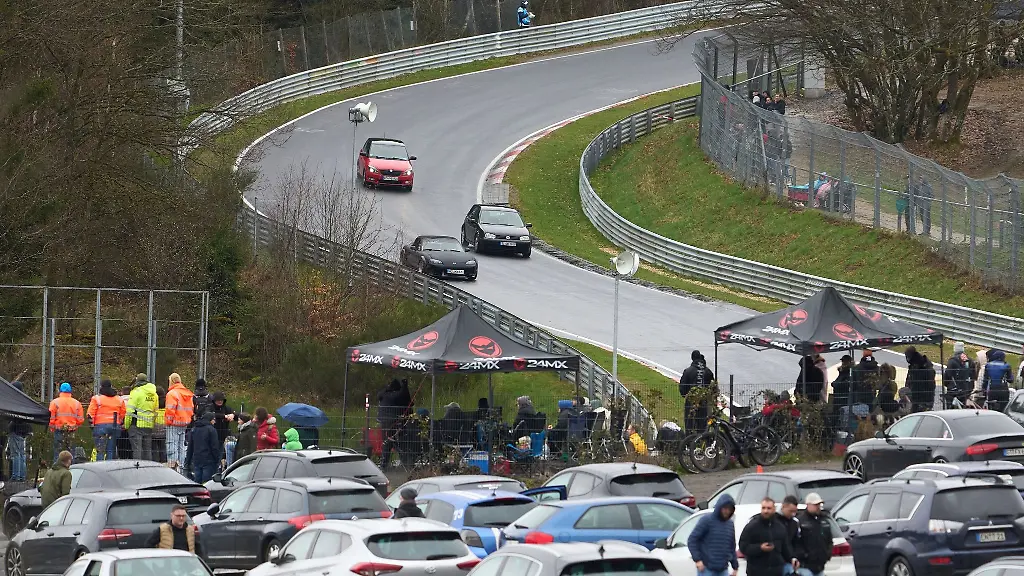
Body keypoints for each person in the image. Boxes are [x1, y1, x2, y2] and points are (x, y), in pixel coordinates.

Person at [739, 498, 798, 576]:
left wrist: (792, 558)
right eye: (763, 508)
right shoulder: (752, 526)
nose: (765, 511)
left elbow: (786, 548)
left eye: (769, 508)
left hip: (776, 571)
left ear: (774, 509)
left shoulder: (780, 527)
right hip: (756, 571)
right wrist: (760, 548)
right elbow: (743, 546)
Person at [687, 493, 739, 576]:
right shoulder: (706, 520)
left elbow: (731, 547)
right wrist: (698, 560)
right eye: (725, 508)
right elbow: (692, 540)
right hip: (706, 569)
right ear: (719, 507)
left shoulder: (730, 524)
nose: (727, 511)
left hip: (723, 569)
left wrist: (735, 567)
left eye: (729, 509)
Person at [87, 379, 126, 461]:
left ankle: (100, 468)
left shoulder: (96, 399)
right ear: (111, 387)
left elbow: (90, 414)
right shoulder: (119, 399)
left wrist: (92, 426)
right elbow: (123, 414)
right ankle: (109, 469)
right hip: (115, 426)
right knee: (111, 450)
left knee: (100, 450)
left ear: (101, 387)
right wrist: (120, 423)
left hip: (100, 427)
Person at [794, 493, 832, 576]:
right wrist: (805, 555)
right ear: (808, 505)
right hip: (805, 566)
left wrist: (827, 554)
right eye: (815, 505)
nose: (818, 507)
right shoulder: (800, 521)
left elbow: (829, 540)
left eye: (819, 504)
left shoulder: (824, 520)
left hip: (820, 566)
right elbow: (795, 541)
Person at [680, 350, 715, 433]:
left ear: (692, 358)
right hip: (704, 402)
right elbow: (713, 387)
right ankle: (703, 441)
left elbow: (682, 388)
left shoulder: (688, 371)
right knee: (702, 424)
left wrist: (686, 395)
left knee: (690, 424)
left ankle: (689, 442)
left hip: (691, 402)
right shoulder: (708, 371)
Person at [49, 382, 84, 462]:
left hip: (58, 430)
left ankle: (57, 471)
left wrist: (52, 427)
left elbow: (51, 417)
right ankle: (71, 471)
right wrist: (75, 425)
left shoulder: (54, 402)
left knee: (57, 453)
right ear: (70, 391)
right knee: (71, 453)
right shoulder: (77, 403)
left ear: (60, 391)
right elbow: (81, 419)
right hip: (71, 431)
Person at [165, 373, 194, 468]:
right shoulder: (187, 393)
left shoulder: (172, 394)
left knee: (171, 446)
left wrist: (168, 422)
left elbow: (170, 409)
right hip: (184, 423)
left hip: (173, 424)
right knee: (181, 447)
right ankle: (181, 467)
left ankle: (172, 468)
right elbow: (191, 408)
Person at [126, 373, 158, 461]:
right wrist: (152, 422)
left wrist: (126, 425)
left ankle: (138, 470)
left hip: (136, 425)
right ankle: (147, 470)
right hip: (148, 425)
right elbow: (156, 411)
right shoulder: (154, 394)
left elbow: (130, 411)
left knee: (137, 450)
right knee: (147, 450)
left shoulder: (136, 392)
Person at [8, 381, 32, 481]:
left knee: (15, 454)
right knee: (22, 454)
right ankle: (22, 476)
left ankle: (15, 476)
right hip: (25, 430)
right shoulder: (25, 400)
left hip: (16, 429)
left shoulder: (15, 400)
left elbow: (14, 416)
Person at [189, 412, 220, 484]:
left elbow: (190, 446)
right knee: (207, 483)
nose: (214, 422)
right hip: (208, 460)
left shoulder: (194, 429)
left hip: (197, 459)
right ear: (210, 420)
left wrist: (188, 462)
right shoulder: (211, 430)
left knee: (197, 481)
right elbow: (214, 446)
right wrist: (217, 459)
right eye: (214, 419)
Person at [905, 346, 936, 412]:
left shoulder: (921, 368)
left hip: (922, 399)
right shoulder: (915, 366)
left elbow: (929, 385)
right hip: (919, 398)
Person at [944, 342, 973, 407]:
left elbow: (947, 375)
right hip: (966, 390)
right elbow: (973, 375)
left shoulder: (952, 361)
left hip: (954, 390)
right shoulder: (970, 360)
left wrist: (947, 384)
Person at [777, 496, 800, 575]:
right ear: (783, 507)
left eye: (795, 511)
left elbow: (795, 543)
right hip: (776, 563)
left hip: (789, 562)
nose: (793, 514)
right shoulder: (774, 521)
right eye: (791, 511)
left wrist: (794, 557)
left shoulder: (794, 523)